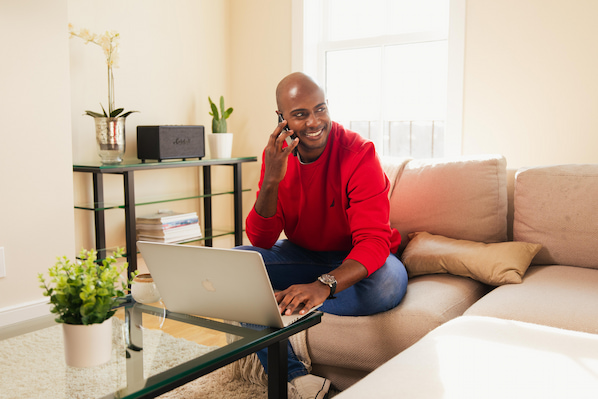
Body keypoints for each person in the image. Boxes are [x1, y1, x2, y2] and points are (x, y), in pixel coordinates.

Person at [237, 72, 408, 399]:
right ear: (282, 119)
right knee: (236, 266)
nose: (315, 121)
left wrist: (323, 285)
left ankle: (285, 299)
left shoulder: (359, 153)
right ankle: (298, 380)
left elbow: (374, 241)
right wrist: (272, 178)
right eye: (300, 114)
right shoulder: (276, 157)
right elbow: (260, 239)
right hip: (305, 255)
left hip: (359, 259)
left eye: (321, 109)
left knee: (386, 286)